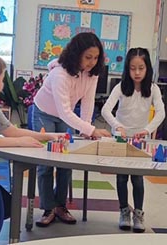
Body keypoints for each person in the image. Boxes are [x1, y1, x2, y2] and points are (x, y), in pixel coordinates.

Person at [0, 51, 59, 220]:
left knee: (7, 206)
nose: (2, 85)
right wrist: (20, 142)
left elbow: (12, 131)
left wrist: (47, 136)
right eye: (2, 80)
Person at [32, 32, 111, 227]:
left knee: (66, 161)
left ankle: (60, 206)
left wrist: (85, 129)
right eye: (88, 57)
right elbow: (65, 111)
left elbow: (87, 102)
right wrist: (92, 129)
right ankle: (48, 208)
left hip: (64, 116)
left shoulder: (92, 73)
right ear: (76, 54)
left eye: (96, 57)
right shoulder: (60, 73)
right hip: (44, 113)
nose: (92, 62)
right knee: (46, 162)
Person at [101, 47, 165, 233]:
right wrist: (117, 126)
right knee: (121, 178)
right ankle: (124, 212)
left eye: (141, 68)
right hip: (121, 139)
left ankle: (138, 214)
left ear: (147, 69)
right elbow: (106, 110)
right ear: (127, 69)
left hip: (140, 140)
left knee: (137, 178)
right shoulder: (120, 87)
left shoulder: (152, 89)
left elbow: (161, 113)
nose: (137, 72)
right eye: (132, 68)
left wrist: (147, 130)